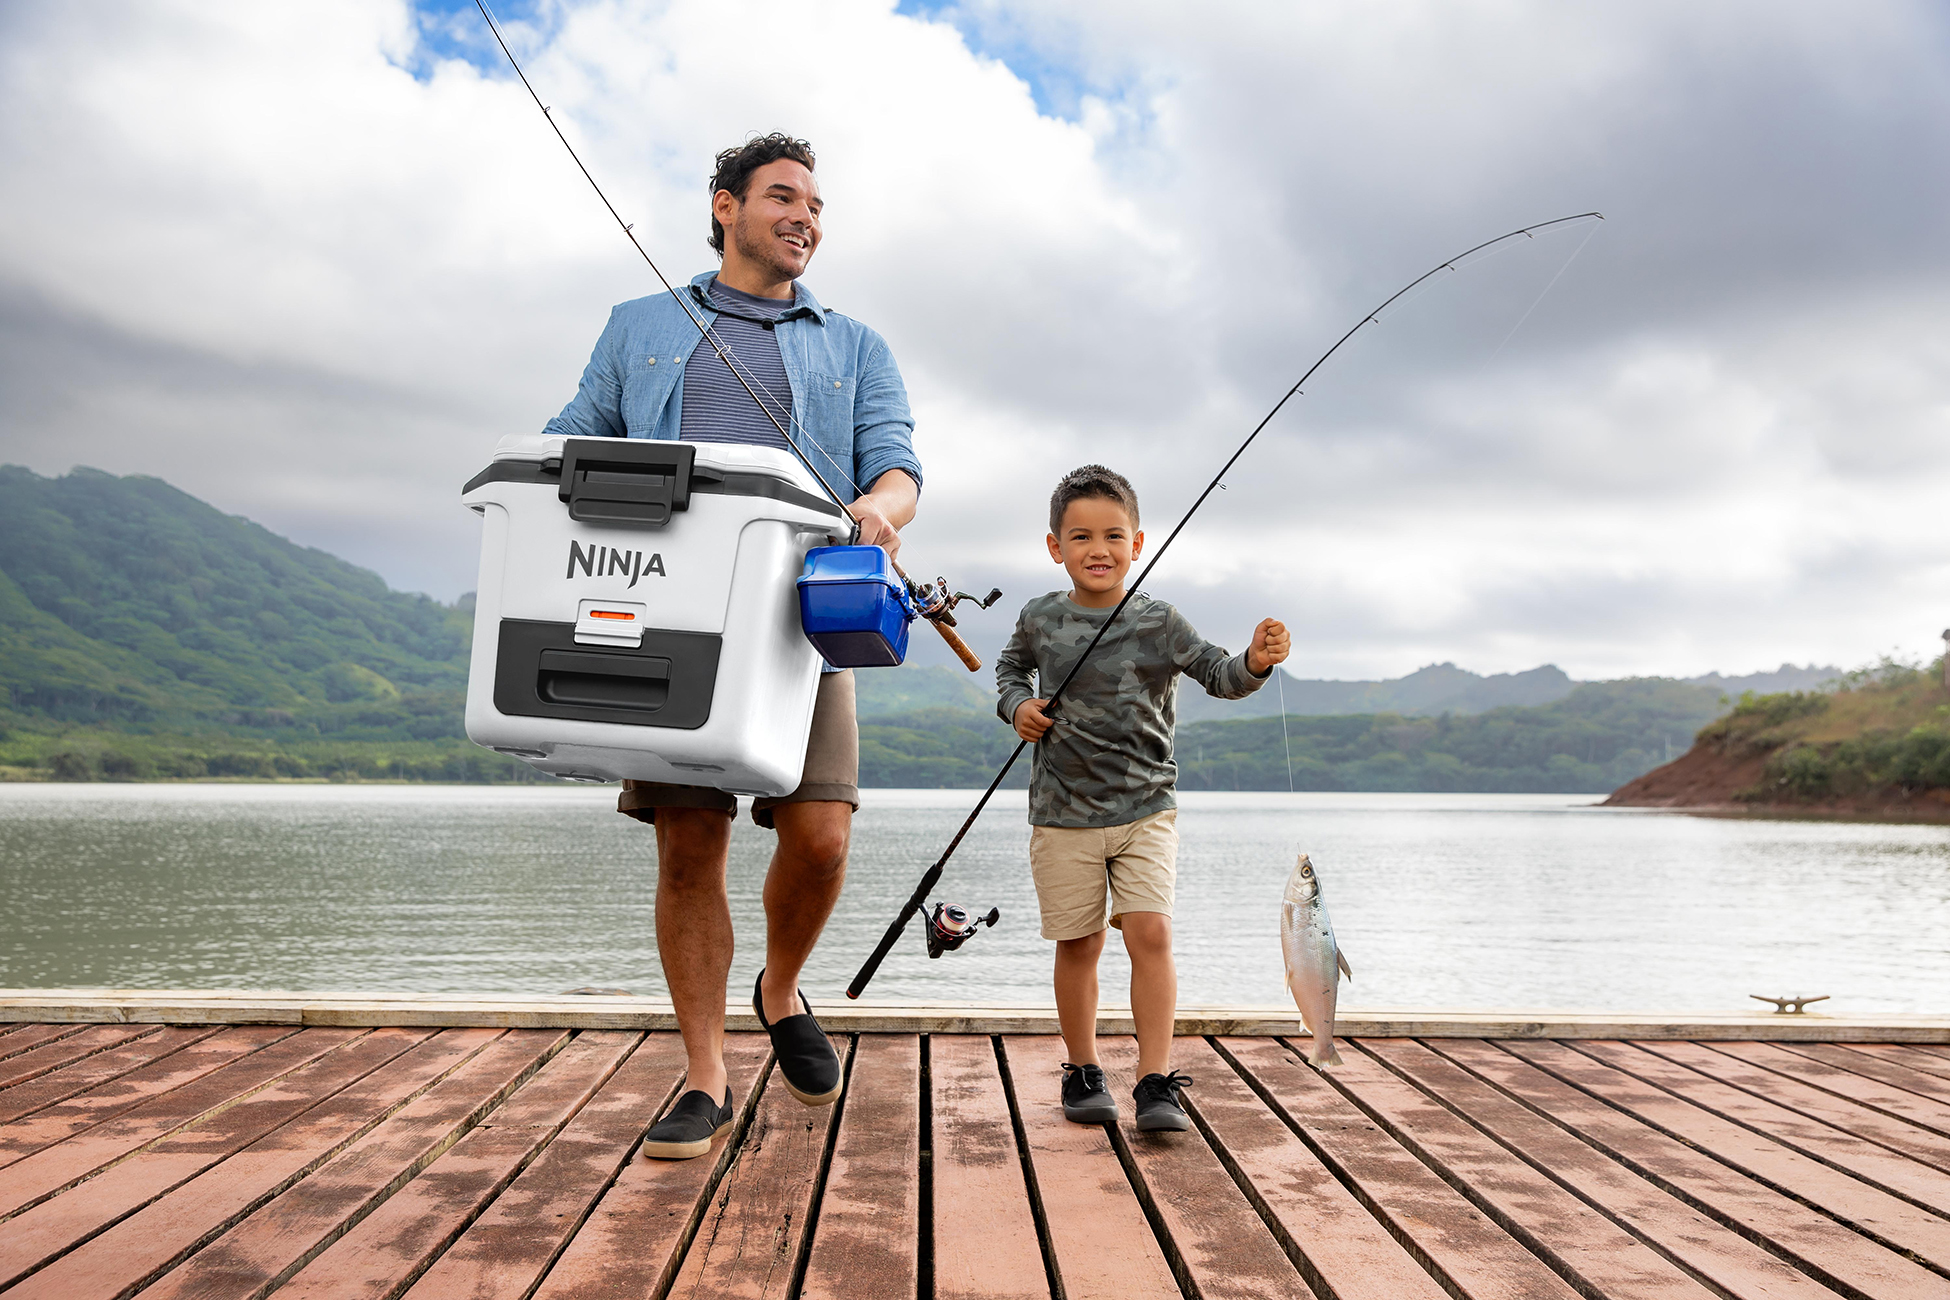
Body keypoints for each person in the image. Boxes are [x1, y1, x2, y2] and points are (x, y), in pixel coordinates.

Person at [542, 133, 922, 1159]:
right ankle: (704, 1074)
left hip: (808, 612)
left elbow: (897, 468)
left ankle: (780, 987)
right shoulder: (638, 324)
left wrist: (881, 510)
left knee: (822, 834)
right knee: (689, 842)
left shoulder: (857, 345)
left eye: (817, 206)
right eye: (784, 197)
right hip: (669, 607)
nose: (806, 218)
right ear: (726, 207)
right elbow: (573, 433)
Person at [996, 465, 1289, 1131]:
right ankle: (1083, 1070)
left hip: (1146, 809)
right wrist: (1018, 707)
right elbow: (1010, 671)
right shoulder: (1040, 617)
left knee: (1150, 932)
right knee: (1079, 944)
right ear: (1055, 547)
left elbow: (1220, 674)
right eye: (1080, 537)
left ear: (1137, 543)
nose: (1097, 549)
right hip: (1061, 814)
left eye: (1113, 536)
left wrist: (1256, 660)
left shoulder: (1160, 621)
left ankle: (1155, 1081)